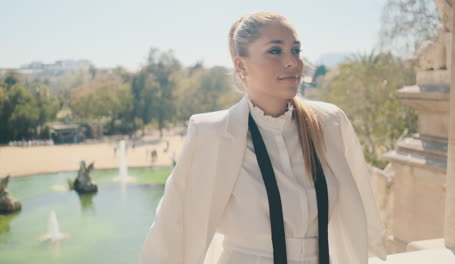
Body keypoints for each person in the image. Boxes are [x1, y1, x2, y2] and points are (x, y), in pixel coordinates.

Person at [140, 11, 387, 264]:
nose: (292, 62)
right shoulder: (212, 133)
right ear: (241, 65)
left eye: (296, 50)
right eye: (275, 51)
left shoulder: (330, 122)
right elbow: (173, 228)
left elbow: (361, 210)